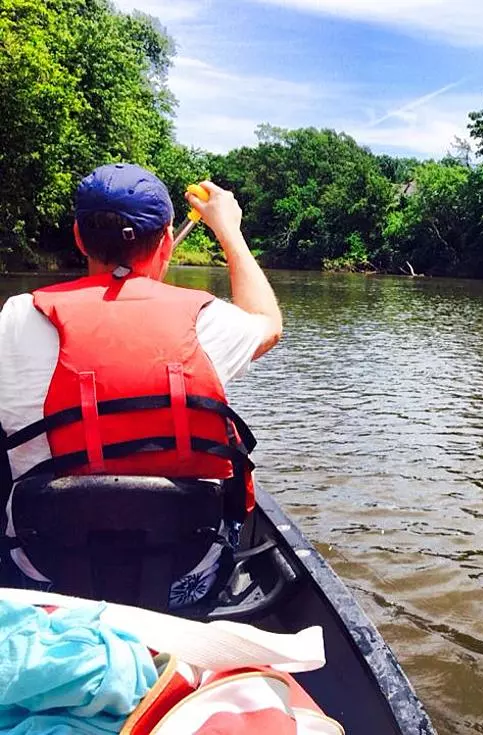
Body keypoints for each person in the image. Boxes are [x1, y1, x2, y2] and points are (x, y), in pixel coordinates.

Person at [0, 163, 283, 607]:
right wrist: (229, 231)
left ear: (78, 236)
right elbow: (269, 323)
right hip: (186, 574)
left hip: (45, 569)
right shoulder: (207, 319)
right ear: (167, 239)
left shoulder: (16, 317)